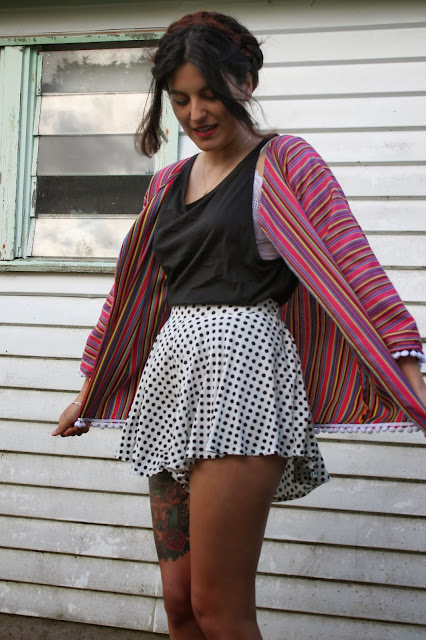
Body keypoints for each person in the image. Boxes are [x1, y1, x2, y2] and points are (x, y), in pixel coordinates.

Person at [52, 11, 426, 640]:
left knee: (220, 608)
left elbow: (352, 265)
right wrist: (91, 388)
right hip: (171, 381)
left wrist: (410, 375)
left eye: (209, 93)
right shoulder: (167, 182)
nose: (196, 113)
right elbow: (132, 294)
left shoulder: (286, 161)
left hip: (244, 378)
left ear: (245, 82)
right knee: (179, 605)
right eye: (180, 99)